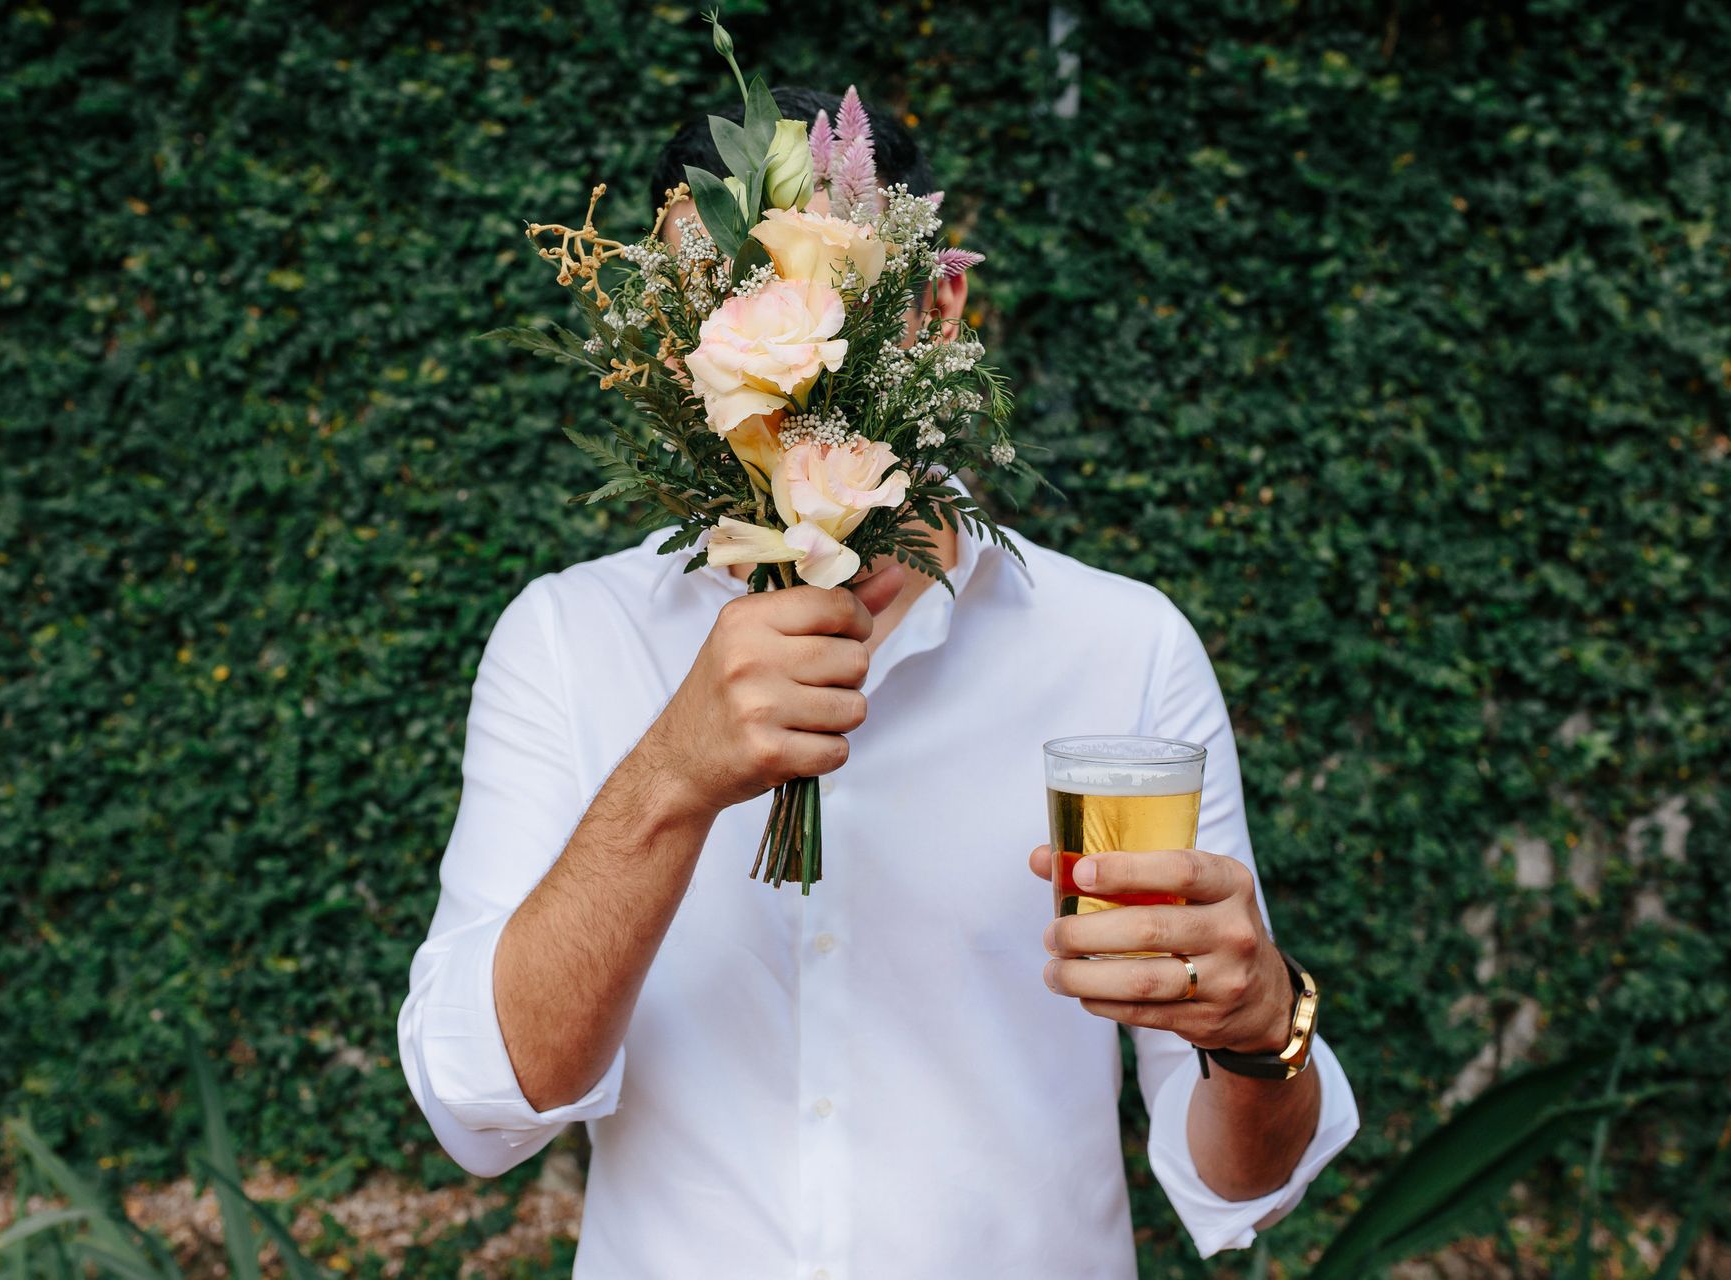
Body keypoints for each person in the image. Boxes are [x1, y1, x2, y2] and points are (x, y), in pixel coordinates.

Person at [398, 87, 1359, 1279]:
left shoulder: (1123, 649)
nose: (799, 378)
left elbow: (1239, 1181)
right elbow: (481, 1107)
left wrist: (1262, 1028)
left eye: (836, 310)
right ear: (674, 353)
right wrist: (672, 774)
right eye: (738, 321)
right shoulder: (569, 637)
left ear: (941, 307)